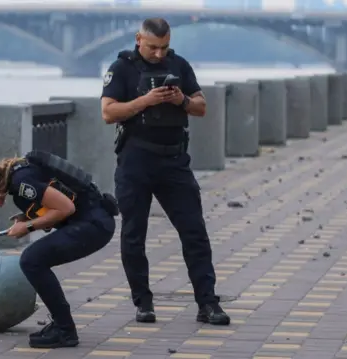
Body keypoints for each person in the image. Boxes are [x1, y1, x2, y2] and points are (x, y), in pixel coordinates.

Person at [100, 17, 230, 326]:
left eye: (164, 47)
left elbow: (201, 106)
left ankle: (208, 303)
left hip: (174, 162)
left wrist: (181, 99)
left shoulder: (179, 65)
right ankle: (143, 302)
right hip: (136, 160)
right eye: (153, 47)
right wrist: (146, 100)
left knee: (194, 232)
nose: (159, 54)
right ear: (138, 39)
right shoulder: (122, 69)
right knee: (134, 235)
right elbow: (108, 112)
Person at [0, 151, 118, 348]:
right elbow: (57, 199)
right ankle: (61, 325)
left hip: (94, 225)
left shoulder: (21, 182)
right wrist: (27, 217)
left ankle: (65, 330)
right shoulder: (19, 175)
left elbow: (66, 208)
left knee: (32, 260)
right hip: (93, 219)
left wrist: (27, 227)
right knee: (34, 260)